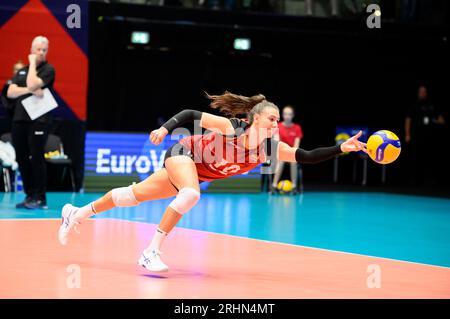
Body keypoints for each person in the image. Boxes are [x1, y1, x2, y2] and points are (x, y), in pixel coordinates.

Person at [58, 92, 366, 272]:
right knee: (191, 194)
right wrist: (166, 129)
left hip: (199, 170)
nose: (276, 124)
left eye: (277, 121)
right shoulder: (235, 127)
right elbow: (190, 113)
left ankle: (76, 213)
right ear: (256, 118)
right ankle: (150, 251)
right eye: (272, 119)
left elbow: (309, 156)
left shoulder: (271, 147)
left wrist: (342, 148)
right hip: (183, 152)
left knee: (132, 195)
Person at [6, 36, 56, 209]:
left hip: (39, 120)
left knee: (36, 157)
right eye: (38, 49)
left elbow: (33, 83)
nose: (41, 52)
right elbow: (10, 92)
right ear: (32, 49)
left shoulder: (49, 69)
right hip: (19, 119)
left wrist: (33, 64)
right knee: (22, 157)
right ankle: (29, 195)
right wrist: (30, 90)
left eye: (44, 50)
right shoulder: (20, 71)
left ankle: (40, 198)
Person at [404, 85, 445, 185]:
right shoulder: (414, 106)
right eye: (420, 92)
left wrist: (435, 120)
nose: (422, 93)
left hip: (430, 137)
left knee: (430, 158)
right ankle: (414, 180)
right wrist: (407, 134)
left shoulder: (432, 105)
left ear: (426, 93)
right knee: (415, 158)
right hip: (416, 136)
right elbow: (408, 120)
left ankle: (429, 180)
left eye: (424, 92)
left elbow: (441, 120)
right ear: (418, 93)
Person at [271, 105, 303, 194]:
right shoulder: (277, 127)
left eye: (289, 114)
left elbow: (296, 145)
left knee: (293, 161)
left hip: (292, 153)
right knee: (281, 160)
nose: (287, 116)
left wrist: (291, 153)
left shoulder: (297, 128)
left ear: (293, 115)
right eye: (285, 114)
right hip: (280, 152)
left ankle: (294, 187)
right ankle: (273, 186)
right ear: (282, 115)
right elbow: (277, 143)